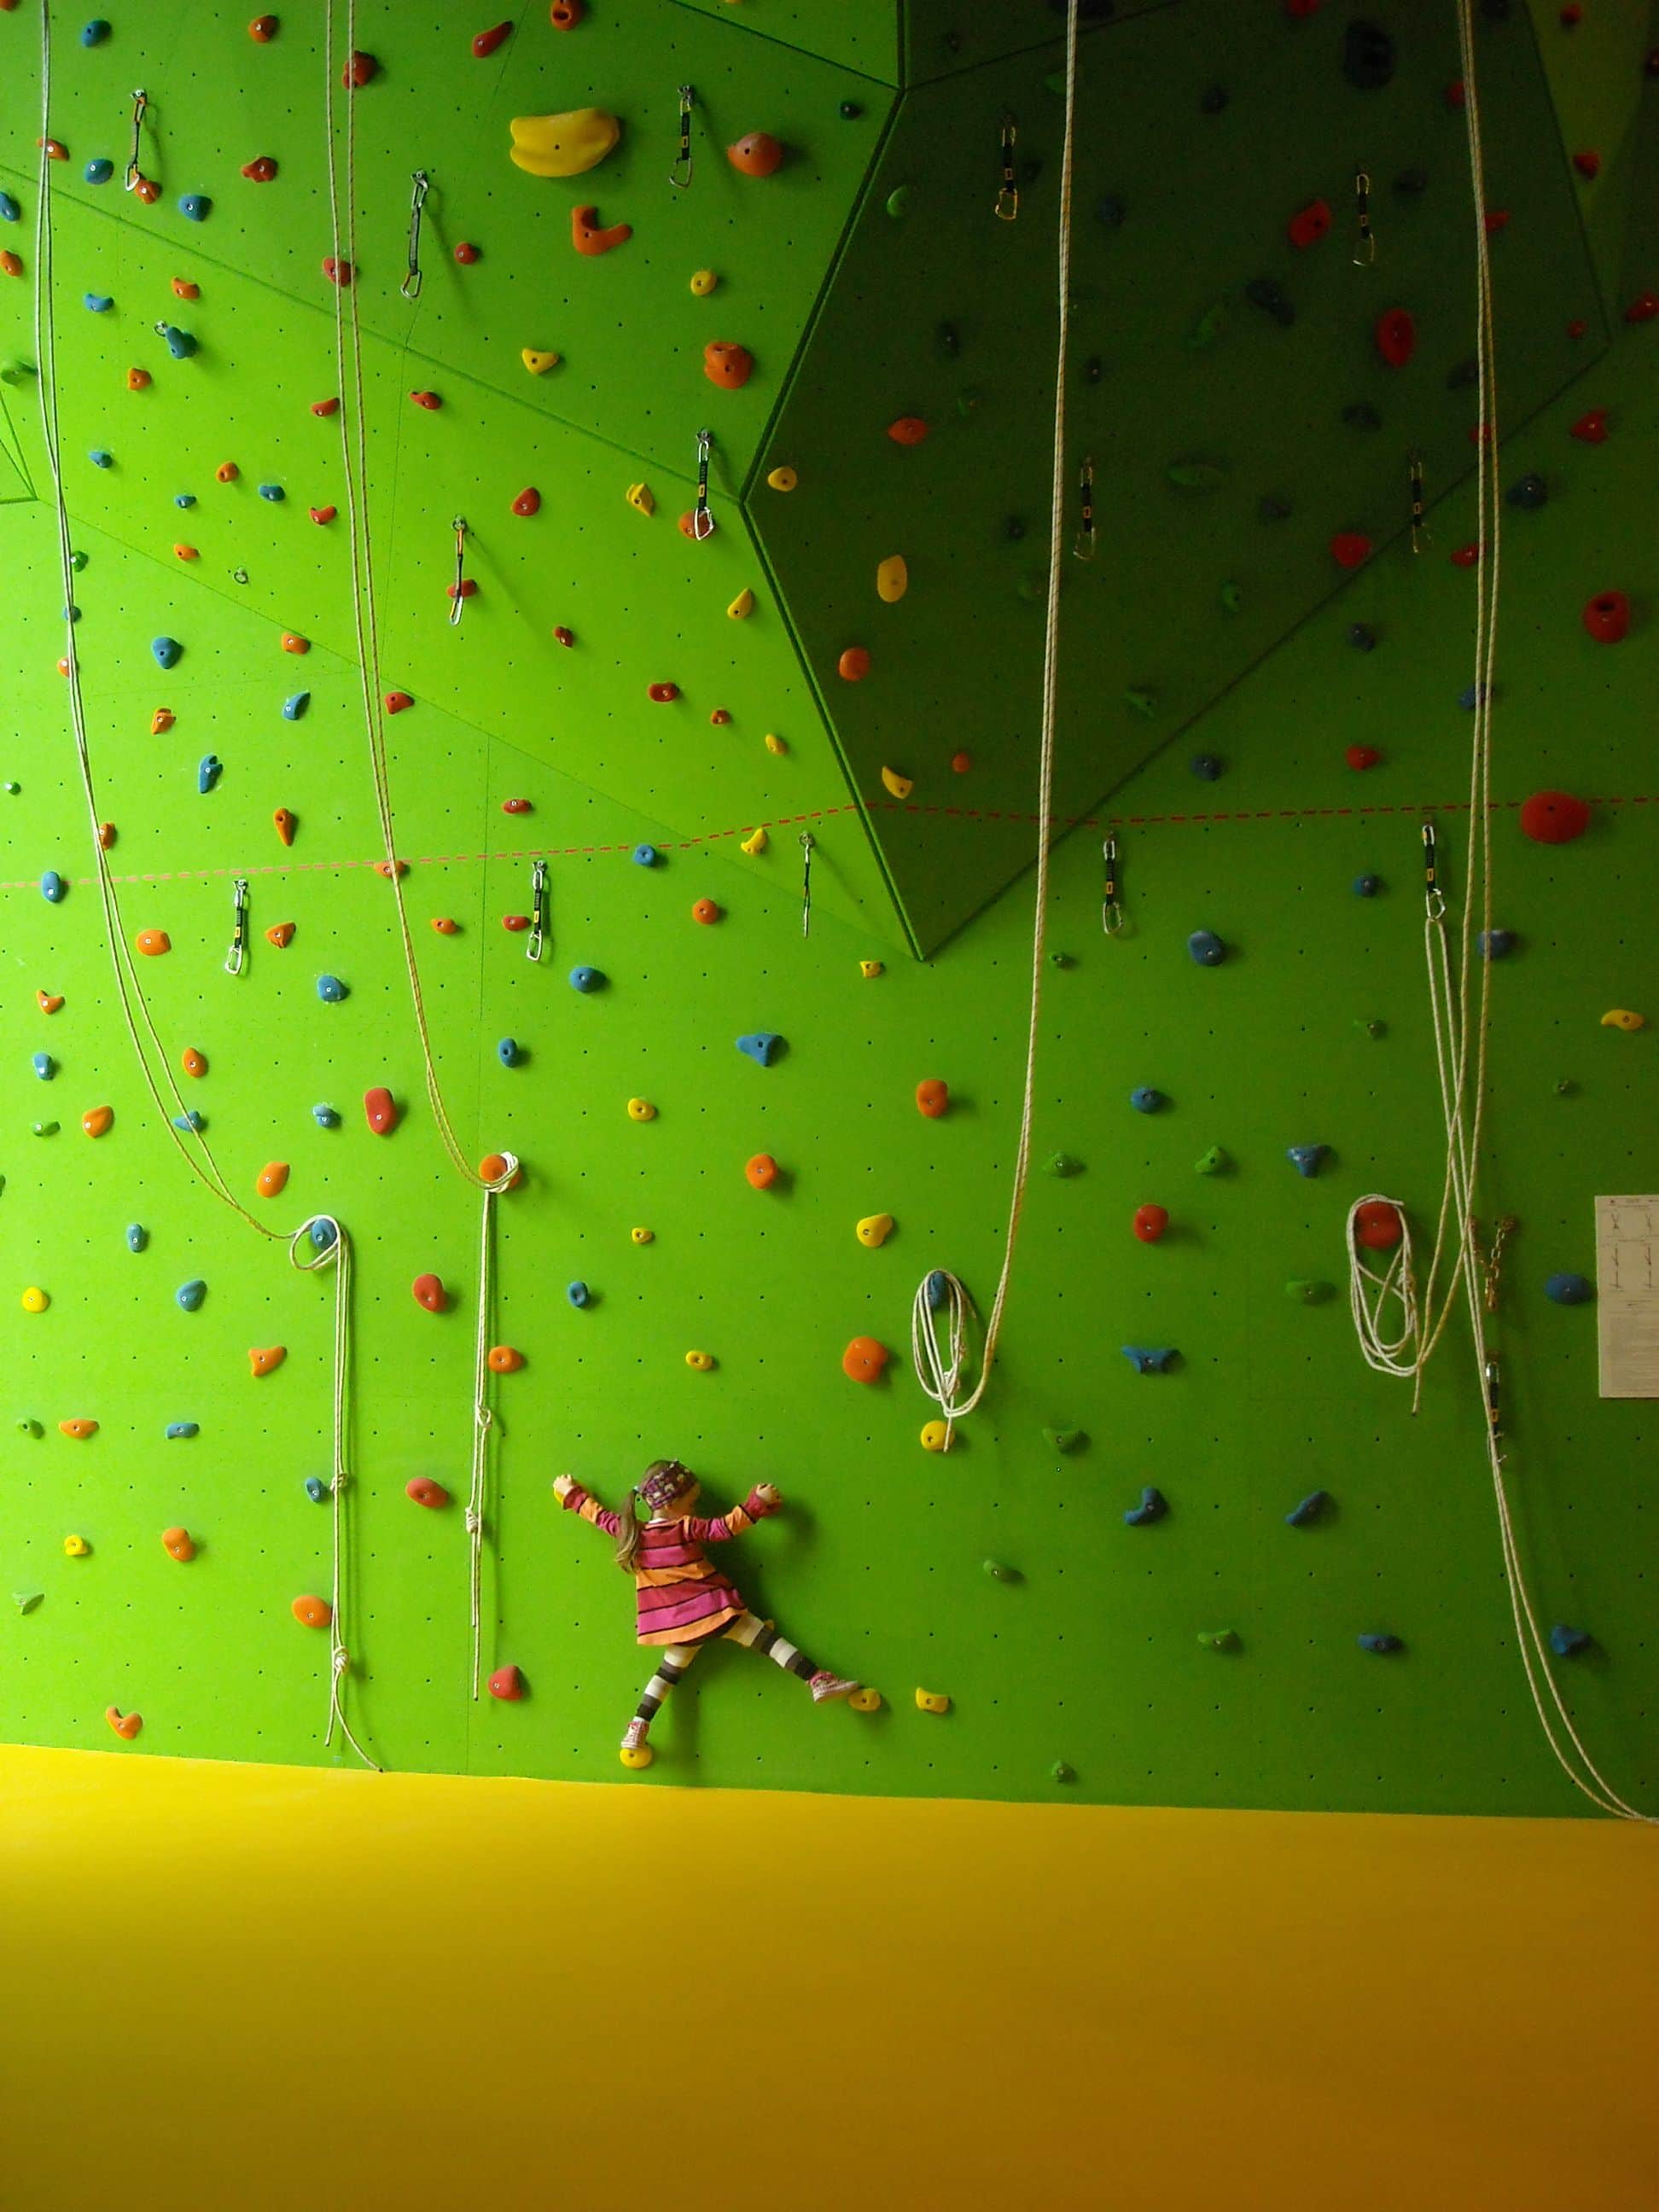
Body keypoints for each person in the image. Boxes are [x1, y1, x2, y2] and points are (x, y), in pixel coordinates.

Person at [553, 1459, 859, 1768]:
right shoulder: (685, 1527)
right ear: (671, 1504)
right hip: (715, 1613)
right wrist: (757, 1503)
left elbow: (598, 1516)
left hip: (678, 1628)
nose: (694, 1508)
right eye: (691, 1502)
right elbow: (724, 1528)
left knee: (666, 1676)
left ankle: (637, 1727)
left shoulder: (632, 1532)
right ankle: (817, 1679)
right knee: (769, 1641)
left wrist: (570, 1493)